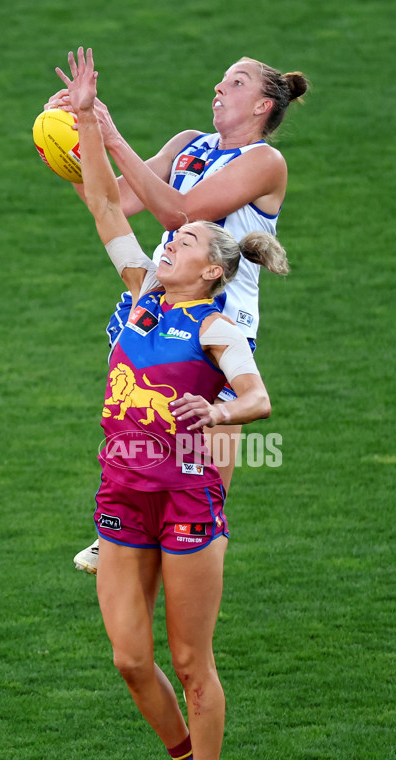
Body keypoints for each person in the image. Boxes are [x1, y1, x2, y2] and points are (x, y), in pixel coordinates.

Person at [54, 46, 289, 760]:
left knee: (191, 657)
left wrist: (221, 411)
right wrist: (86, 124)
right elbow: (106, 205)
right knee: (130, 658)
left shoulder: (218, 322)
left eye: (183, 241)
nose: (167, 244)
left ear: (209, 267)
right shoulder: (139, 298)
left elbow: (258, 398)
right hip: (124, 485)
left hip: (190, 481)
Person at [45, 54, 308, 574]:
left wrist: (111, 135)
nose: (219, 86)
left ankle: (192, 552)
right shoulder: (190, 143)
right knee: (138, 417)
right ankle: (124, 524)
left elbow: (176, 213)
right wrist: (74, 138)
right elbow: (112, 200)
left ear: (263, 105)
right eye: (223, 78)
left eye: (236, 82)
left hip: (219, 322)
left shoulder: (265, 162)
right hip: (161, 306)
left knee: (201, 466)